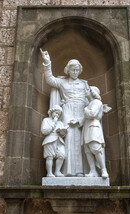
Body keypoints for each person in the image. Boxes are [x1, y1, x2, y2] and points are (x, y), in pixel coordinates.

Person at [40, 49, 89, 177]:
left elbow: (90, 98)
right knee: (68, 138)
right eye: (73, 70)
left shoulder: (84, 84)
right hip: (67, 110)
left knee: (81, 139)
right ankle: (66, 170)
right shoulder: (62, 82)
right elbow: (50, 79)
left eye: (77, 70)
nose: (75, 72)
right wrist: (47, 63)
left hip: (81, 110)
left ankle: (81, 170)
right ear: (68, 70)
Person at [83, 86, 111, 178]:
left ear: (92, 92)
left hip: (94, 127)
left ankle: (103, 169)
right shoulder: (90, 103)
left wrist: (85, 110)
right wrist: (78, 121)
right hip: (87, 127)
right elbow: (85, 119)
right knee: (87, 150)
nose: (85, 91)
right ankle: (93, 171)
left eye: (87, 90)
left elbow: (92, 114)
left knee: (95, 148)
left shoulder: (97, 102)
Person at [41, 105, 68, 177]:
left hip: (59, 140)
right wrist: (53, 122)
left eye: (59, 114)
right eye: (56, 113)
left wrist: (63, 132)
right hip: (50, 140)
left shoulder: (60, 123)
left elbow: (63, 134)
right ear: (52, 112)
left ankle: (57, 171)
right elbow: (44, 131)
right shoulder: (46, 120)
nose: (57, 115)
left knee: (62, 155)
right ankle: (49, 173)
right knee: (49, 156)